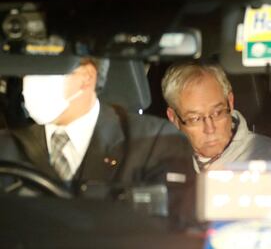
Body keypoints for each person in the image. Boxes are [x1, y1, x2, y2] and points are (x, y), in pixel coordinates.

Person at [0, 57, 193, 196]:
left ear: (86, 77)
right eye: (27, 72)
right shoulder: (6, 147)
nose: (29, 84)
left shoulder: (154, 142)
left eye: (43, 72)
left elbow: (172, 230)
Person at [161, 61, 271, 173]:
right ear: (173, 118)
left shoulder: (267, 157)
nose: (210, 128)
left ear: (230, 102)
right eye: (196, 118)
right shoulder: (158, 164)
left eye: (217, 113)